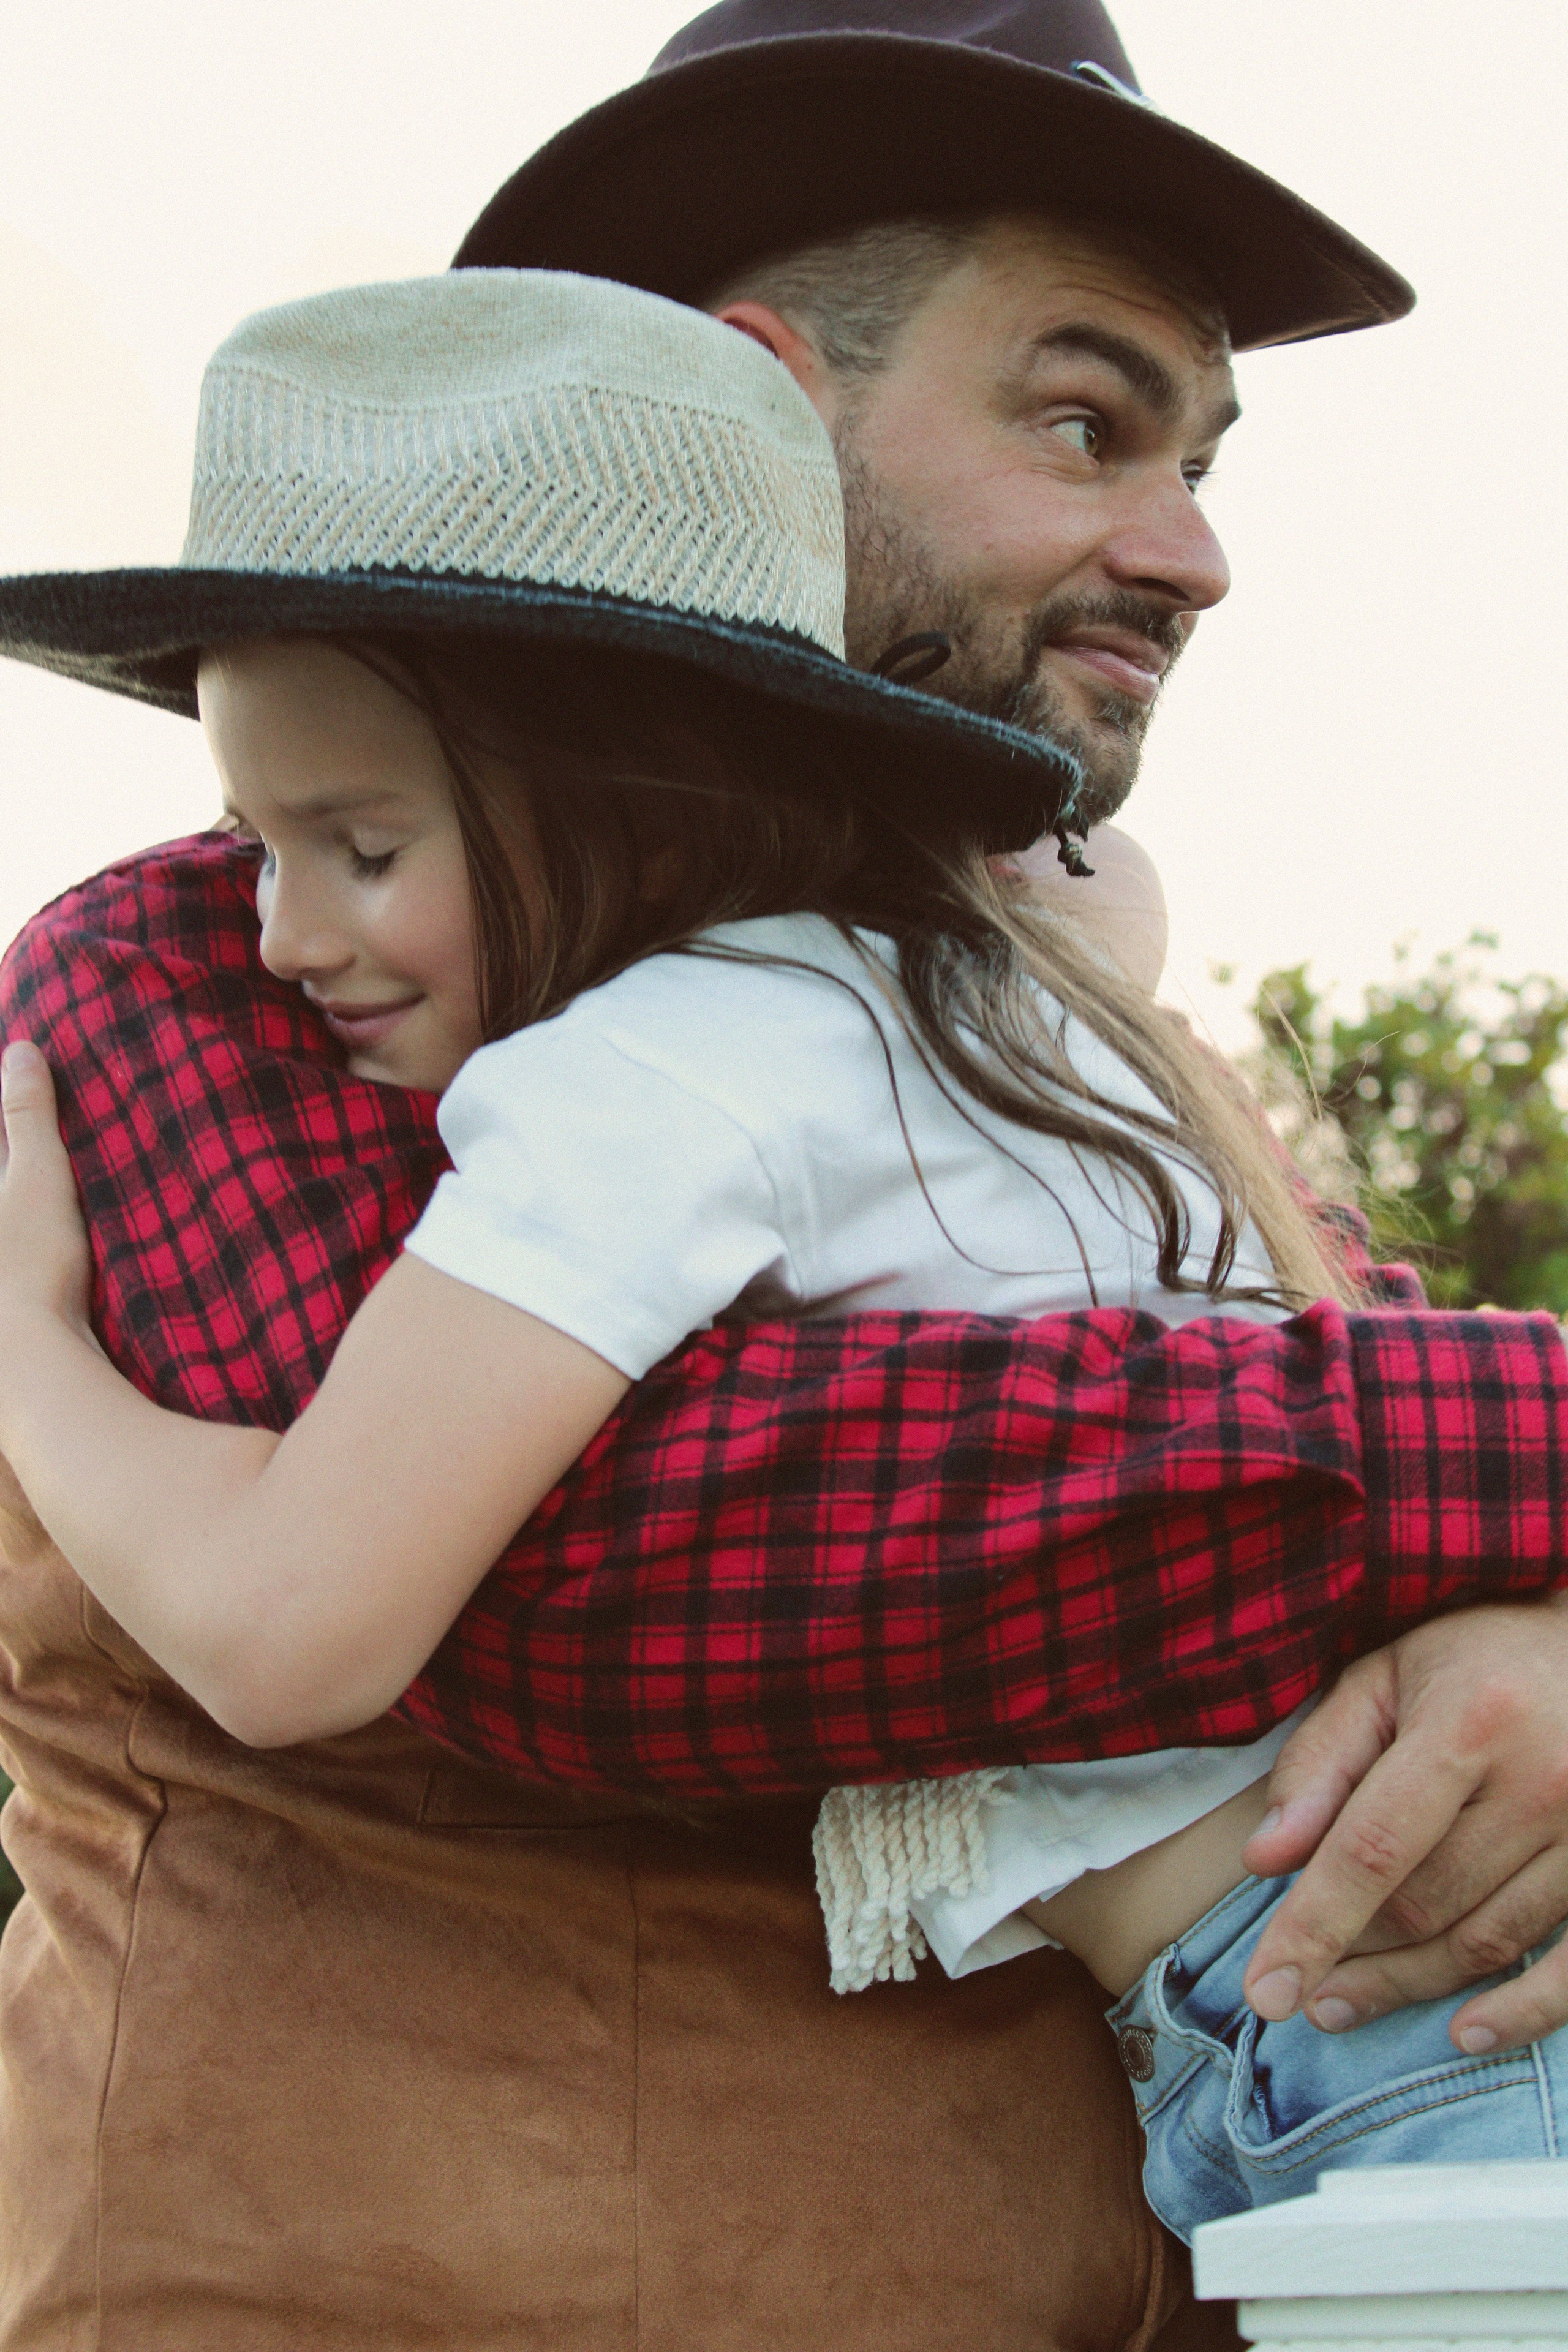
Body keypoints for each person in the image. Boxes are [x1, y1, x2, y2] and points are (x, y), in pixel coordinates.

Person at [2, 8, 1568, 2350]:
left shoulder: (1011, 1005)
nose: (1196, 551)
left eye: (1200, 456)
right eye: (1081, 420)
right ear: (764, 395)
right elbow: (636, 1570)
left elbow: (1289, 1369)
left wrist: (1512, 1639)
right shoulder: (213, 984)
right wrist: (1499, 1474)